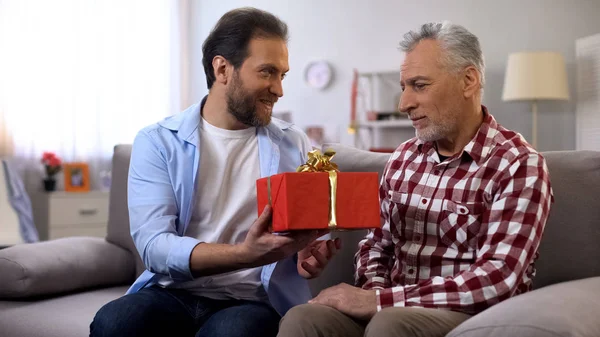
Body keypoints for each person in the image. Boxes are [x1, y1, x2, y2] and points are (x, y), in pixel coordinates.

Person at [278, 21, 553, 337]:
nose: (403, 104)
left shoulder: (517, 163)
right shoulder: (403, 157)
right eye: (403, 87)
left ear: (468, 80)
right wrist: (371, 292)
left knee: (390, 323)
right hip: (388, 309)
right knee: (304, 318)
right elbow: (376, 245)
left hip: (469, 317)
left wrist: (380, 302)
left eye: (419, 85)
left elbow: (498, 278)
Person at [90, 7, 340, 337]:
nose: (279, 89)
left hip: (251, 300)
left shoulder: (293, 142)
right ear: (222, 69)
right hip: (171, 292)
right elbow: (154, 246)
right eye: (267, 72)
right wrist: (243, 255)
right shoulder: (158, 142)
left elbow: (306, 230)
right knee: (115, 324)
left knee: (233, 332)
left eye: (283, 75)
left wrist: (308, 253)